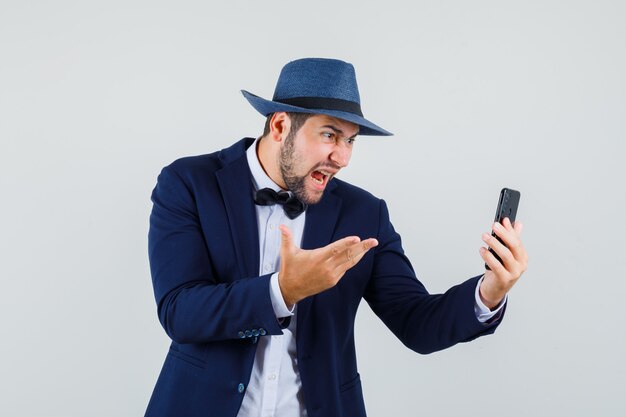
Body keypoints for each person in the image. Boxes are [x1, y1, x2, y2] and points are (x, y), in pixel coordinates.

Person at [145, 58, 528, 417]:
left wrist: (489, 292)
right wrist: (282, 291)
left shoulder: (364, 213)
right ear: (280, 126)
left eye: (350, 141)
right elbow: (180, 312)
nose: (342, 158)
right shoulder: (189, 184)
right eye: (330, 135)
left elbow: (417, 325)